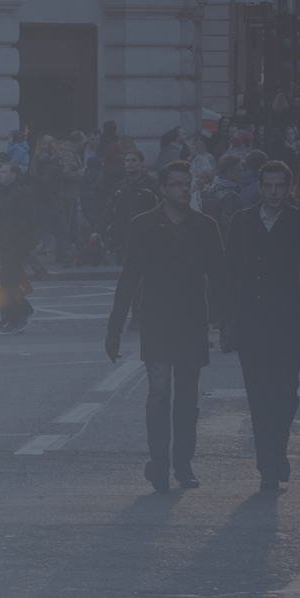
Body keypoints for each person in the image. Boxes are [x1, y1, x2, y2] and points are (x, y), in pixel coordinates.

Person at [105, 160, 232, 492]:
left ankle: (183, 464)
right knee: (159, 392)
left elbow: (220, 276)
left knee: (187, 398)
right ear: (162, 189)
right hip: (157, 321)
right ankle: (159, 462)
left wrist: (227, 321)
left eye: (187, 183)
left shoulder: (205, 226)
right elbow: (129, 276)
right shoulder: (143, 225)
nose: (184, 189)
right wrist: (114, 327)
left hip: (191, 321)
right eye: (177, 184)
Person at [223, 160, 300, 490]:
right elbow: (229, 272)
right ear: (260, 187)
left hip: (287, 321)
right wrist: (226, 320)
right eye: (268, 185)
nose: (274, 192)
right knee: (259, 397)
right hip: (251, 322)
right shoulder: (243, 220)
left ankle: (276, 452)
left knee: (287, 395)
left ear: (288, 188)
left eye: (280, 185)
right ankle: (268, 466)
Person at [0, 161, 38, 333]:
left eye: (4, 172)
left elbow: (31, 218)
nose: (0, 174)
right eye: (0, 171)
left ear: (13, 175)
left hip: (17, 243)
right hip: (6, 243)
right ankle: (22, 312)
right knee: (7, 280)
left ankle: (18, 317)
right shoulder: (4, 192)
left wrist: (12, 233)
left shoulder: (20, 192)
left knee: (8, 280)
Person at [96, 148, 160, 263]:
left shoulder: (153, 184)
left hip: (146, 239)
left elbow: (164, 209)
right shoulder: (120, 186)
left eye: (134, 160)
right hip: (123, 240)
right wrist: (98, 231)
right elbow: (108, 210)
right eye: (127, 161)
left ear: (142, 162)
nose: (130, 163)